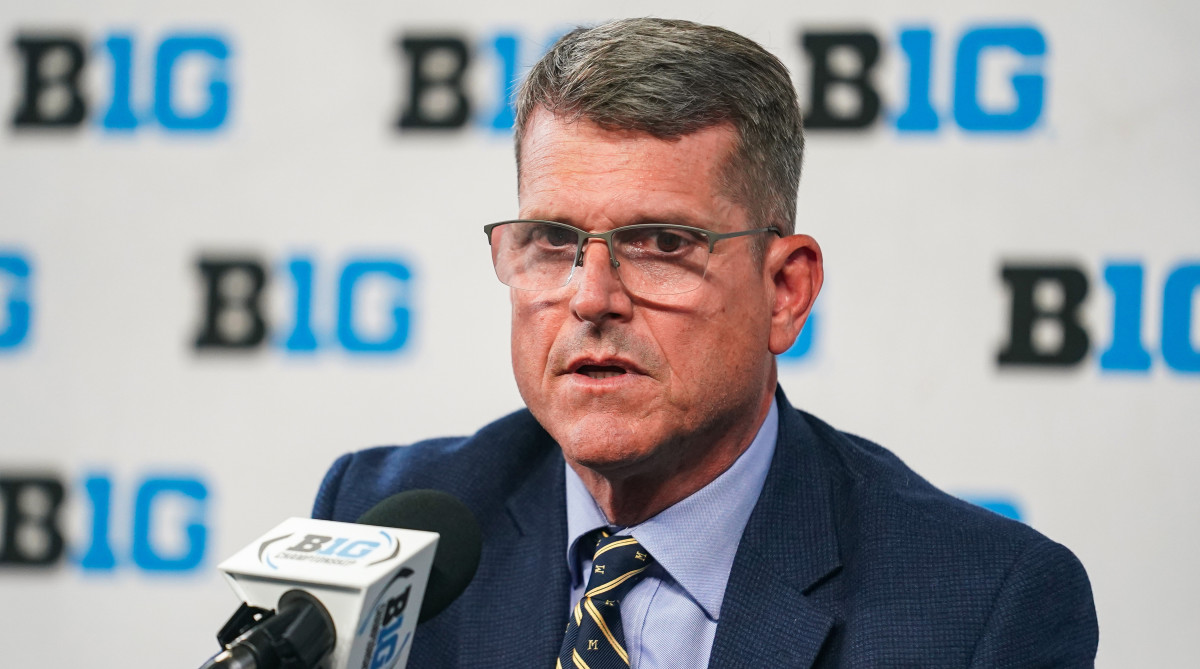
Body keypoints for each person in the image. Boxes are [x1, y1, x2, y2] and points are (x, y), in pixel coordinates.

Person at [313, 18, 1098, 668]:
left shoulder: (981, 610)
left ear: (785, 291)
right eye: (553, 241)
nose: (592, 298)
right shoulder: (384, 526)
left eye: (659, 243)